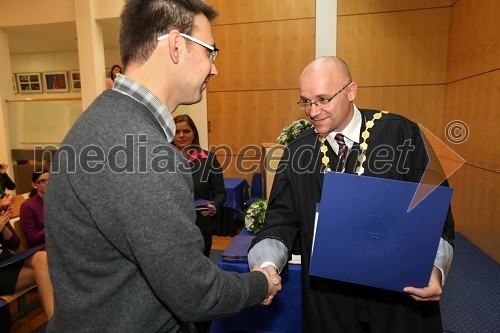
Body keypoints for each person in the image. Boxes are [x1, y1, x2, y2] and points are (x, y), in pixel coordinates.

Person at [44, 1, 281, 332]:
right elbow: (197, 295)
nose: (214, 68)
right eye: (210, 52)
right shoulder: (142, 149)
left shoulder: (102, 120)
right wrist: (261, 283)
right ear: (175, 45)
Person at [248, 56, 455, 333]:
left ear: (351, 91)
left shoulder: (403, 135)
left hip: (399, 298)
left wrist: (434, 268)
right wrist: (266, 264)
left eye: (323, 99)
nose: (313, 111)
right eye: (306, 101)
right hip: (329, 301)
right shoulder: (298, 152)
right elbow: (281, 220)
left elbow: (436, 215)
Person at [173, 114, 227, 258]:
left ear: (194, 133)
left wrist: (213, 206)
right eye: (177, 132)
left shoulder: (209, 159)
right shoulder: (161, 160)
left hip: (201, 225)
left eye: (186, 131)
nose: (181, 135)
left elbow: (220, 193)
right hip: (172, 225)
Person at [0, 207, 54, 319]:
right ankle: (54, 320)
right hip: (2, 273)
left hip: (7, 260)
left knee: (42, 258)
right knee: (46, 274)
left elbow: (14, 244)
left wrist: (3, 227)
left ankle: (53, 319)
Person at [20, 170, 48, 249]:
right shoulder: (27, 206)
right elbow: (32, 238)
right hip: (39, 248)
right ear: (34, 184)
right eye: (43, 181)